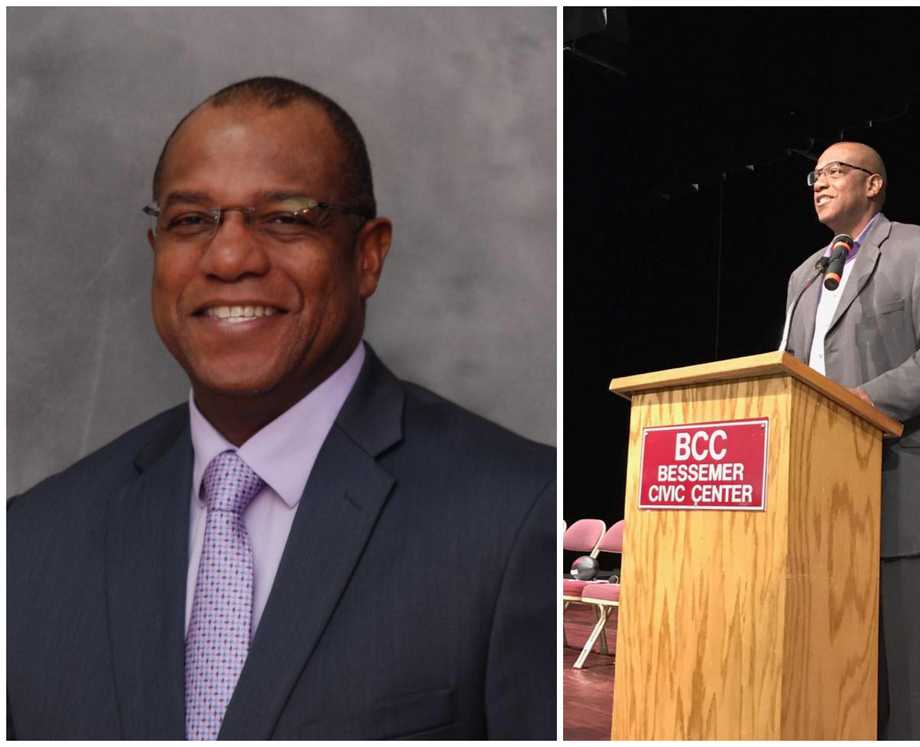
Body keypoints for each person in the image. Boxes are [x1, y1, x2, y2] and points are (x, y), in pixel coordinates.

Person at [7, 77, 556, 740]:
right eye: (190, 220)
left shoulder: (517, 516)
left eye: (286, 217)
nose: (230, 255)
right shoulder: (31, 542)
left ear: (367, 255)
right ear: (157, 255)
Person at [781, 142, 920, 739]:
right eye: (814, 175)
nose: (819, 183)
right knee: (838, 672)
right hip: (821, 502)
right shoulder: (803, 277)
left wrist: (866, 401)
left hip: (906, 495)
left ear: (873, 185)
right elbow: (790, 372)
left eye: (835, 171)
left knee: (908, 684)